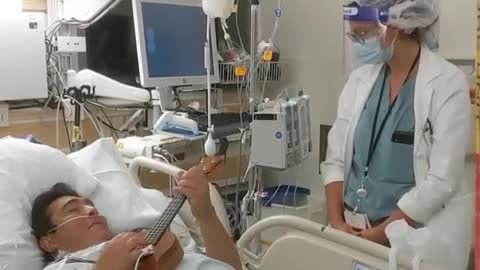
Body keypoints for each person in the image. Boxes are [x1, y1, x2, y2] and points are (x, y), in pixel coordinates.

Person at [321, 0, 471, 245]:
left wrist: (383, 233)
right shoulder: (360, 80)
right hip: (350, 230)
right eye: (353, 36)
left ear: (399, 25)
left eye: (364, 34)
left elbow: (442, 179)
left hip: (409, 237)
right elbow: (335, 159)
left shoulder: (447, 83)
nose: (358, 45)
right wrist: (337, 222)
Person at [31, 165, 242, 270]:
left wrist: (205, 215)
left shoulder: (153, 245)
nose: (91, 210)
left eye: (91, 205)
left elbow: (227, 267)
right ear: (49, 241)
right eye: (72, 210)